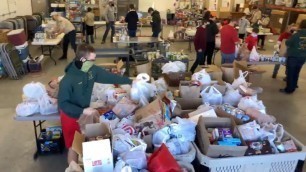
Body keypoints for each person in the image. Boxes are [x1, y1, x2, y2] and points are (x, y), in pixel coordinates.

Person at [58, 44, 132, 164]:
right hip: (70, 116)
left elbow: (108, 77)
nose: (93, 62)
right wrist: (83, 111)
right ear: (82, 60)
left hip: (83, 112)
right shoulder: (68, 80)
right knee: (73, 146)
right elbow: (63, 104)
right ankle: (72, 168)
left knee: (85, 141)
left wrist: (131, 81)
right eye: (92, 60)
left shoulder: (90, 70)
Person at [279, 20, 306, 94]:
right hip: (303, 57)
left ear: (300, 25)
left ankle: (289, 89)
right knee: (297, 71)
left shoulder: (296, 35)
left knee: (290, 73)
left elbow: (288, 43)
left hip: (294, 56)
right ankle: (294, 85)